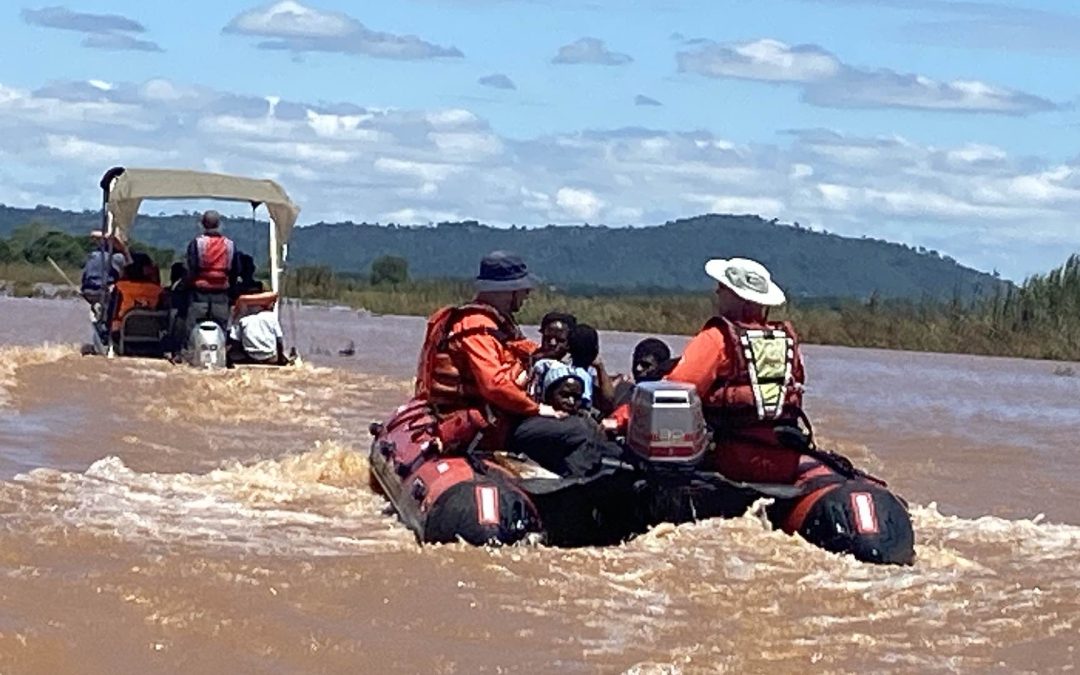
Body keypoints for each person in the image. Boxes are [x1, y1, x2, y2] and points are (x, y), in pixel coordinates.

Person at [663, 257, 806, 484]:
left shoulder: (717, 337)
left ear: (737, 297)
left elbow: (674, 394)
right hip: (786, 460)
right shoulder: (787, 342)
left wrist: (624, 418)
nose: (717, 292)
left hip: (732, 459)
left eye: (722, 287)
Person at [414, 251, 544, 453]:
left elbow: (521, 349)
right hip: (475, 420)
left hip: (496, 413)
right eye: (523, 289)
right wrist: (538, 409)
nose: (527, 294)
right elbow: (494, 385)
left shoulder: (497, 323)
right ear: (507, 291)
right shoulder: (475, 326)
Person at [185, 210, 240, 337]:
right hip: (221, 293)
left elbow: (191, 268)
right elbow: (235, 270)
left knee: (192, 328)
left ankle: (188, 346)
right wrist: (231, 288)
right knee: (222, 327)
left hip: (199, 293)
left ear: (202, 224)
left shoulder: (197, 243)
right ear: (219, 224)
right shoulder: (230, 245)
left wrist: (186, 284)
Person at [109, 253, 165, 341]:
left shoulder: (120, 287)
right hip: (152, 333)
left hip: (123, 333)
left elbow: (112, 313)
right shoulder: (158, 291)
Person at [612, 338, 673, 407]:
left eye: (645, 365)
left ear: (660, 368)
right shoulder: (621, 389)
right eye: (635, 363)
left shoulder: (668, 400)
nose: (637, 369)